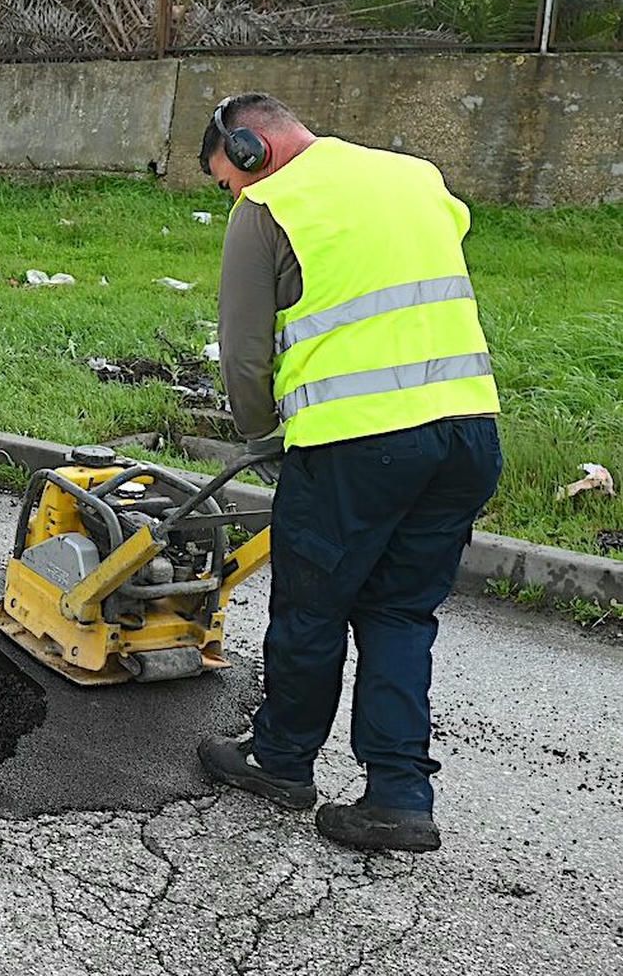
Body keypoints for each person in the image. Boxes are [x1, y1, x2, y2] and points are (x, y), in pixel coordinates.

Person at [193, 93, 502, 854]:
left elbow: (242, 352)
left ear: (245, 149)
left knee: (311, 609)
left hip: (355, 444)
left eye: (223, 179)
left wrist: (260, 430)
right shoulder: (413, 175)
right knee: (399, 614)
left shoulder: (268, 205)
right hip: (467, 433)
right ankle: (398, 796)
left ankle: (280, 761)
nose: (232, 192)